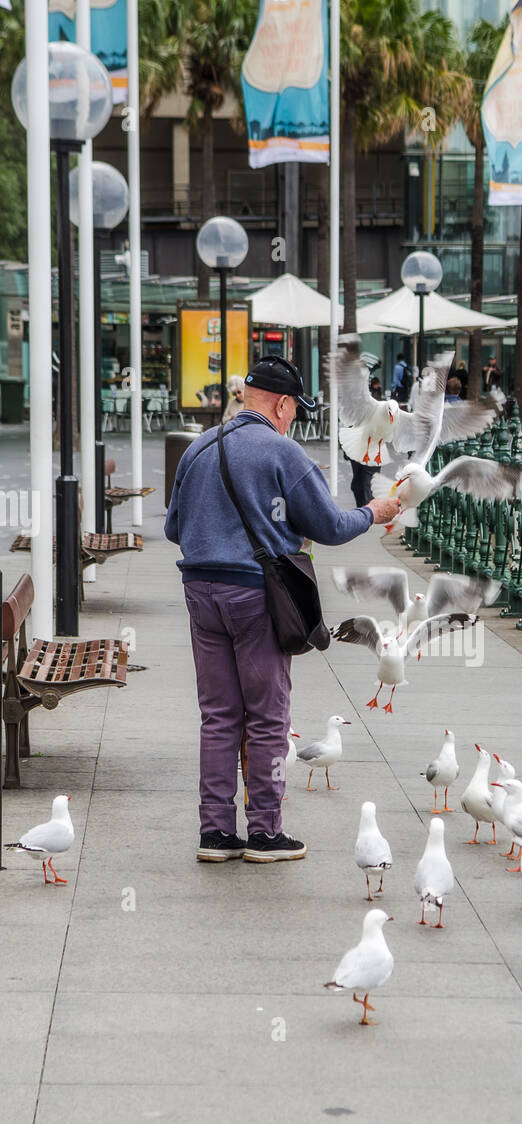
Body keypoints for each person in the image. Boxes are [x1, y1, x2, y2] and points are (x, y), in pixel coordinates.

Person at [165, 354, 401, 864]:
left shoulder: (198, 448)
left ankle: (215, 834)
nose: (294, 419)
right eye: (296, 409)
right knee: (269, 719)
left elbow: (173, 529)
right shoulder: (283, 453)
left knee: (219, 716)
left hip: (201, 593)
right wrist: (373, 511)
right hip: (255, 596)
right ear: (282, 403)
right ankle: (266, 833)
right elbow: (333, 528)